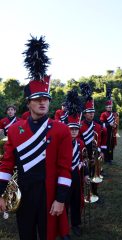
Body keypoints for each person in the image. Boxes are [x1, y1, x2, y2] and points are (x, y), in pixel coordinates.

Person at [0, 36, 72, 240]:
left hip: (49, 195)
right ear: (28, 104)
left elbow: (65, 169)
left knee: (48, 235)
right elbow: (6, 165)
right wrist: (0, 192)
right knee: (26, 235)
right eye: (37, 100)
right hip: (24, 194)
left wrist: (60, 199)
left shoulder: (61, 130)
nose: (43, 103)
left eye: (46, 99)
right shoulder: (15, 131)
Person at [64, 89, 89, 237]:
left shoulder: (80, 143)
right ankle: (63, 227)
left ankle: (76, 224)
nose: (73, 132)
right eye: (71, 129)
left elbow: (84, 160)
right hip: (64, 175)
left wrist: (85, 174)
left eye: (75, 129)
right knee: (64, 201)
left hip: (77, 175)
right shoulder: (62, 143)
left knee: (76, 200)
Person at [79, 83, 104, 202]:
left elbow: (99, 140)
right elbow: (78, 141)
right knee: (85, 175)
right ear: (84, 113)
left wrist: (100, 151)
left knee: (95, 174)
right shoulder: (80, 126)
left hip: (94, 154)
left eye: (93, 112)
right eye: (89, 112)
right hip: (84, 155)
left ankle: (94, 193)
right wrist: (84, 156)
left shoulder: (97, 126)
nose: (91, 114)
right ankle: (84, 194)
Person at [100, 99, 118, 164]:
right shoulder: (103, 114)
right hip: (106, 132)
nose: (110, 108)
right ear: (106, 107)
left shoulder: (113, 114)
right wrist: (109, 124)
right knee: (106, 145)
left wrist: (115, 125)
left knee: (111, 145)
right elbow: (101, 124)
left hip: (112, 132)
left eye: (111, 107)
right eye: (109, 107)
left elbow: (115, 122)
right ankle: (106, 159)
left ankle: (110, 158)